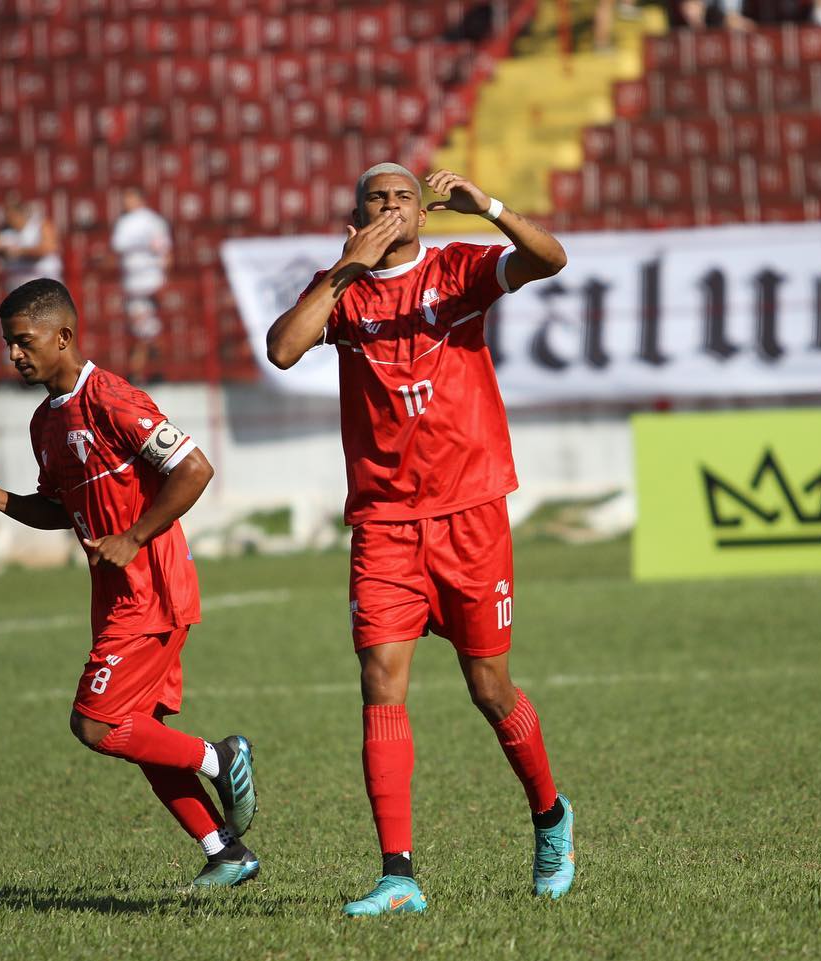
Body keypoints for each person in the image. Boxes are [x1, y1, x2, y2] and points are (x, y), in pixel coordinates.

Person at [265, 164, 576, 917]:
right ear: (355, 214)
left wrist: (492, 207)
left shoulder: (458, 270)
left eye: (405, 196)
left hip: (471, 513)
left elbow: (550, 260)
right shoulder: (340, 288)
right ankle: (398, 874)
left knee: (489, 689)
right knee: (380, 682)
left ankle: (550, 816)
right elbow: (282, 348)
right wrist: (346, 268)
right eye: (378, 198)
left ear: (424, 214)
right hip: (384, 523)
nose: (394, 206)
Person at [0, 278, 260, 888]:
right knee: (138, 732)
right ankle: (224, 851)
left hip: (153, 592)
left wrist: (137, 534)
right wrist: (4, 500)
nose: (14, 355)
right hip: (117, 597)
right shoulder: (45, 423)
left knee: (95, 724)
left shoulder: (114, 399)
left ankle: (219, 758)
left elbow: (195, 468)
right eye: (8, 344)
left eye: (23, 342)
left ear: (63, 336)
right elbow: (58, 507)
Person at [110, 186, 173, 384]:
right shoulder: (123, 222)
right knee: (145, 329)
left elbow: (165, 251)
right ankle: (154, 370)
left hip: (151, 282)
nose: (125, 202)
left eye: (128, 197)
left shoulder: (153, 221)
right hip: (132, 283)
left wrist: (164, 281)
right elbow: (117, 247)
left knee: (146, 328)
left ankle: (143, 371)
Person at [0, 195, 63, 291]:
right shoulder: (7, 231)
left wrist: (21, 252)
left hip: (43, 279)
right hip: (17, 282)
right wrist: (3, 249)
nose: (8, 218)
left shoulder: (39, 225)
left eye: (11, 215)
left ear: (20, 213)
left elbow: (48, 248)